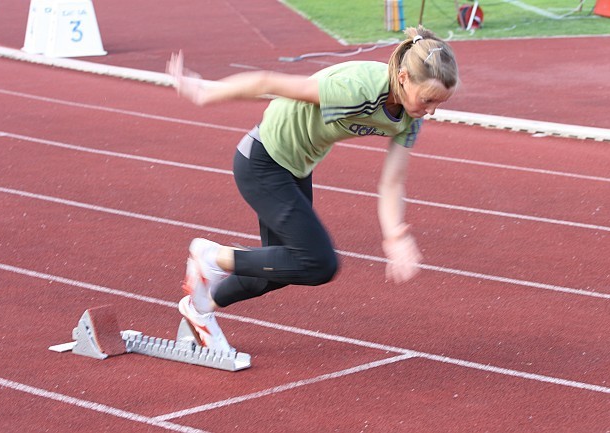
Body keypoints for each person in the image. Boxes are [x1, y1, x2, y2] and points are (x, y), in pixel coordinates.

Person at [166, 26, 459, 352]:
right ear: (403, 77)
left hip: (295, 169)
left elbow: (392, 181)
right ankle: (210, 257)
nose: (431, 110)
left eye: (439, 103)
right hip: (262, 161)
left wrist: (395, 236)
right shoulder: (357, 88)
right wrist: (205, 93)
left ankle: (200, 309)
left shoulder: (411, 115)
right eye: (428, 99)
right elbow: (269, 83)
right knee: (319, 262)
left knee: (278, 270)